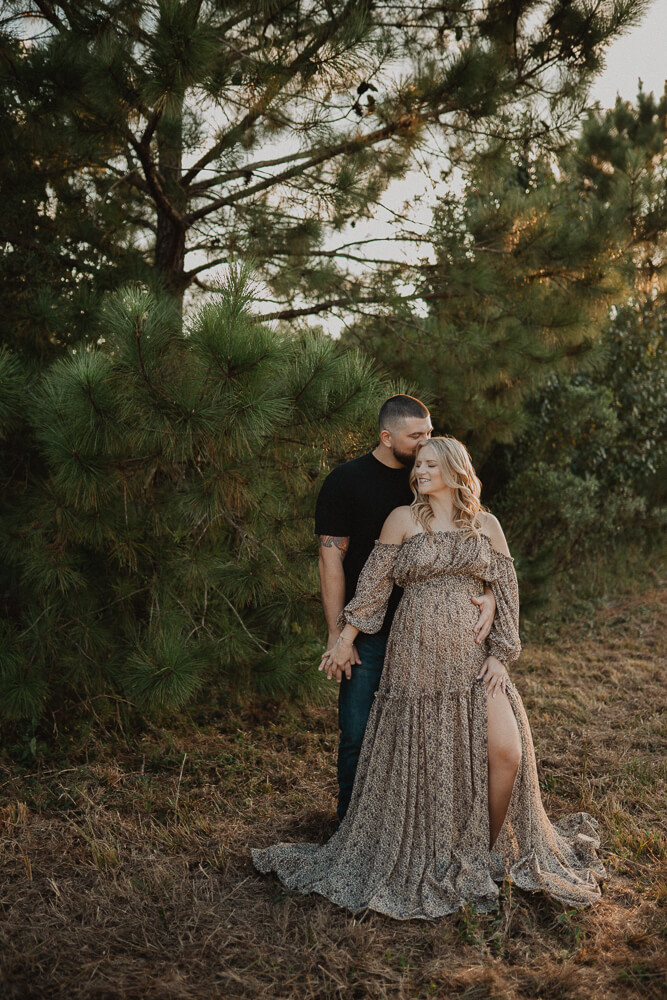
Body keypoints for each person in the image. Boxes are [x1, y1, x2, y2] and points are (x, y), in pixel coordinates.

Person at [252, 437, 605, 918]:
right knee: (435, 757)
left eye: (429, 464)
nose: (418, 471)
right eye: (417, 464)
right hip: (416, 658)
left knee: (507, 752)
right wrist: (344, 637)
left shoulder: (487, 525)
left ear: (456, 469)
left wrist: (501, 654)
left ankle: (483, 848)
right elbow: (374, 586)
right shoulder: (401, 520)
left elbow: (506, 586)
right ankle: (448, 848)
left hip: (475, 660)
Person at [314, 395, 496, 822]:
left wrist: (489, 593)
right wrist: (337, 632)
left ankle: (416, 825)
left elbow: (475, 538)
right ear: (386, 437)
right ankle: (352, 829)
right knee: (358, 731)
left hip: (436, 634)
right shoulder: (346, 481)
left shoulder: (436, 470)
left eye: (430, 433)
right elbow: (330, 560)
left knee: (432, 734)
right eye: (416, 437)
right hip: (371, 631)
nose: (425, 446)